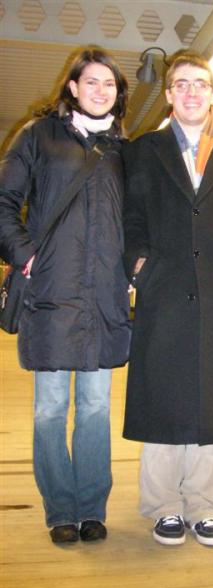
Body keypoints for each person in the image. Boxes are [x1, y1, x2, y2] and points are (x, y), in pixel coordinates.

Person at [122, 51, 213, 547]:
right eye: (181, 84)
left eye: (200, 85)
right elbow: (130, 218)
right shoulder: (142, 152)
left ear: (212, 95)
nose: (191, 93)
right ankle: (164, 505)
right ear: (168, 94)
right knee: (163, 393)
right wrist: (139, 263)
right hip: (164, 290)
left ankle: (204, 505)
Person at [0, 47, 131, 544]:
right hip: (51, 292)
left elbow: (138, 219)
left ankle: (92, 507)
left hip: (103, 297)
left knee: (96, 408)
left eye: (110, 85)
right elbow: (4, 200)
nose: (101, 90)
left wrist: (135, 262)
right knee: (50, 409)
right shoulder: (38, 136)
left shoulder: (124, 149)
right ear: (72, 87)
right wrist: (25, 253)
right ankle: (60, 509)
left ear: (118, 95)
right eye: (91, 82)